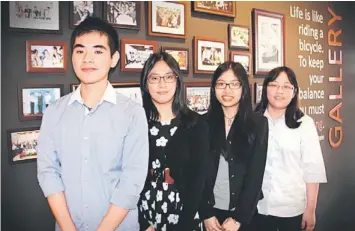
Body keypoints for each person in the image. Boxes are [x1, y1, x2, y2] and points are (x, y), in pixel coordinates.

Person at [37, 17, 149, 231]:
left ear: (114, 58)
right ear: (72, 57)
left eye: (98, 51)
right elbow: (48, 172)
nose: (87, 59)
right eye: (80, 51)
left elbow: (132, 181)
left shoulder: (132, 113)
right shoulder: (54, 112)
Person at [137, 51, 209, 231]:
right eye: (154, 78)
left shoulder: (195, 124)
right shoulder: (136, 123)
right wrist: (143, 223)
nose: (162, 84)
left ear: (177, 81)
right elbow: (128, 175)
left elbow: (198, 181)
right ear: (145, 83)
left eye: (168, 77)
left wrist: (183, 225)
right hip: (145, 216)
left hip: (184, 217)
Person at [254, 66, 327, 231]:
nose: (280, 91)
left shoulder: (304, 123)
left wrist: (310, 209)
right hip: (255, 207)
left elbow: (312, 169)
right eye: (274, 85)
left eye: (286, 86)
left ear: (294, 92)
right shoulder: (253, 120)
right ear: (266, 89)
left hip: (291, 209)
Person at [201, 61, 269, 231]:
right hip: (211, 215)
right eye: (221, 84)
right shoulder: (202, 124)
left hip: (243, 216)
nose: (227, 90)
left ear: (243, 88)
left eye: (234, 84)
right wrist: (206, 214)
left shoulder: (258, 124)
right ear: (213, 88)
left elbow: (256, 173)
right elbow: (196, 173)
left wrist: (239, 218)